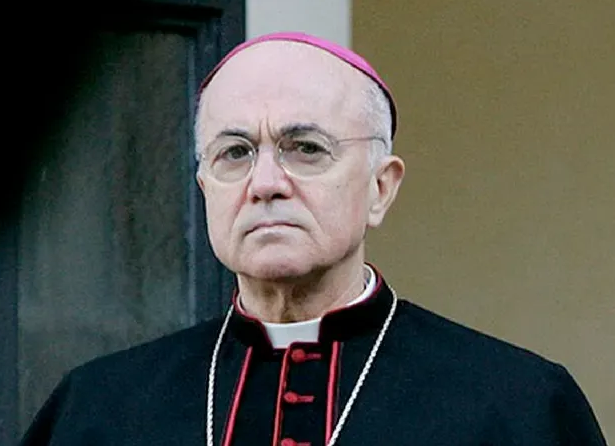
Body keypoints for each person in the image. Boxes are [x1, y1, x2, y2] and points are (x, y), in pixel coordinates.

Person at [20, 31, 607, 446]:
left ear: (380, 188)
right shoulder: (98, 407)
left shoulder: (517, 405)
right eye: (234, 153)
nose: (265, 184)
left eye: (305, 149)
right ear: (204, 187)